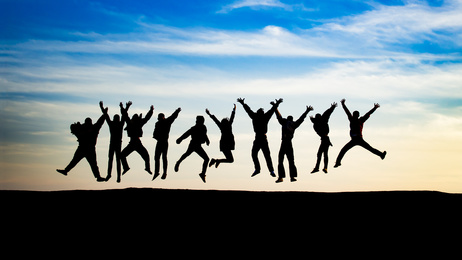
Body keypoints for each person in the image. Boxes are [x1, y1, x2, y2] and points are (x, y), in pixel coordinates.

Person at [56, 103, 107, 182]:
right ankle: (98, 177)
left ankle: (66, 171)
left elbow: (101, 120)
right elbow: (101, 120)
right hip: (87, 148)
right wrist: (103, 111)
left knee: (77, 161)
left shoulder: (85, 128)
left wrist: (103, 111)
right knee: (91, 164)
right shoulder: (93, 128)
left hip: (84, 148)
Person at [334, 99, 387, 168]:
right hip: (356, 139)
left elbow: (368, 114)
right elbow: (348, 112)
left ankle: (338, 162)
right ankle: (338, 162)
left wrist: (374, 108)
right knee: (344, 150)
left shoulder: (358, 120)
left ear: (357, 115)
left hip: (358, 139)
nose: (355, 116)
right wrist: (343, 104)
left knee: (344, 150)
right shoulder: (356, 119)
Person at [237, 97, 282, 177]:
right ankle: (270, 170)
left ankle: (260, 169)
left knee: (256, 154)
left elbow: (248, 110)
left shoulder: (255, 116)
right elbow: (272, 110)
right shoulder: (264, 117)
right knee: (266, 155)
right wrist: (277, 103)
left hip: (258, 138)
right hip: (262, 138)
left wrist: (243, 103)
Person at [275, 105, 312, 183]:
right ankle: (291, 177)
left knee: (281, 160)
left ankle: (281, 177)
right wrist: (307, 111)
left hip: (284, 142)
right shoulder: (294, 124)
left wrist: (275, 107)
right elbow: (301, 118)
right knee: (291, 160)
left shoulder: (284, 122)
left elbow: (279, 116)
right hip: (289, 142)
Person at [120, 101, 154, 176]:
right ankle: (146, 168)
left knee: (122, 155)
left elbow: (125, 115)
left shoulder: (131, 123)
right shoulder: (137, 123)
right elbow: (147, 118)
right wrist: (151, 111)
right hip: (136, 142)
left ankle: (126, 167)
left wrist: (123, 107)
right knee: (146, 156)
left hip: (134, 142)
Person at [174, 116, 210, 183]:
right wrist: (180, 139)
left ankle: (202, 174)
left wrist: (207, 140)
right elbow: (186, 134)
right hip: (193, 144)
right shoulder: (194, 128)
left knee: (206, 159)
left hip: (198, 145)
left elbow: (205, 134)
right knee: (187, 154)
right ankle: (178, 162)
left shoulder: (203, 127)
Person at [152, 107, 181, 181]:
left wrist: (177, 111)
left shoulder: (165, 122)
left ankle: (163, 172)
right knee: (158, 157)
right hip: (161, 141)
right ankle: (158, 172)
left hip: (163, 141)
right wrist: (177, 111)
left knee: (162, 157)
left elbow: (173, 116)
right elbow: (154, 133)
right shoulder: (159, 123)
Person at [99, 101, 125, 183]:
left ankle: (110, 175)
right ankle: (117, 177)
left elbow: (106, 116)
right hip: (117, 144)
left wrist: (102, 108)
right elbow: (124, 116)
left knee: (111, 160)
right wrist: (123, 107)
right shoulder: (120, 124)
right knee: (117, 161)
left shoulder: (112, 124)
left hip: (113, 143)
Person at [205, 105, 236, 169]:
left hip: (224, 144)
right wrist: (234, 110)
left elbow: (215, 120)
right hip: (226, 145)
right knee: (231, 160)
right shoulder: (228, 126)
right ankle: (216, 160)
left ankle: (217, 161)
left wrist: (209, 114)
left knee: (230, 159)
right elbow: (232, 117)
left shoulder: (221, 126)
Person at [310, 102, 337, 174]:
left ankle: (321, 167)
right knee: (323, 154)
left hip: (325, 138)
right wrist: (332, 107)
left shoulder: (318, 122)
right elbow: (327, 113)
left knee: (321, 154)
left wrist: (332, 108)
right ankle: (322, 167)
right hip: (325, 138)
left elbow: (327, 113)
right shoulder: (320, 121)